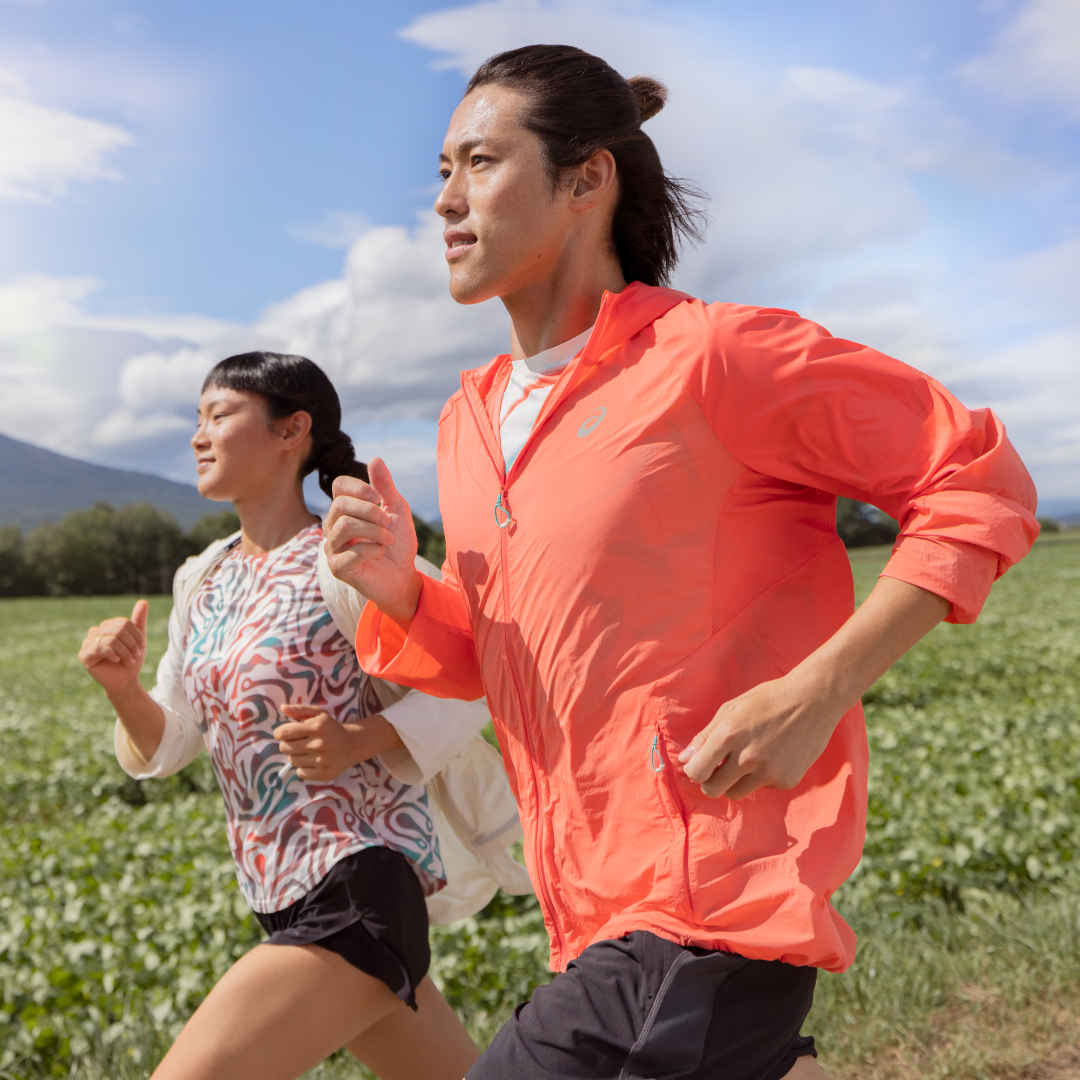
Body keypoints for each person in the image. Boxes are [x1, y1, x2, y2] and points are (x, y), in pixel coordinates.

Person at [324, 44, 1041, 1080]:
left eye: (479, 163)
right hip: (591, 911)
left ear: (586, 180)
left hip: (712, 896)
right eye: (440, 170)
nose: (444, 199)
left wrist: (818, 688)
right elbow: (507, 656)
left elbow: (979, 479)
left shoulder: (713, 359)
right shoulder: (466, 424)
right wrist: (400, 588)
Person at [77, 352, 513, 1080]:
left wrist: (361, 739)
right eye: (197, 419)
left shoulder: (348, 558)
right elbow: (175, 739)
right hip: (275, 892)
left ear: (292, 430)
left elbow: (472, 674)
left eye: (219, 415)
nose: (199, 435)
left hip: (360, 884)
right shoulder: (203, 578)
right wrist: (122, 687)